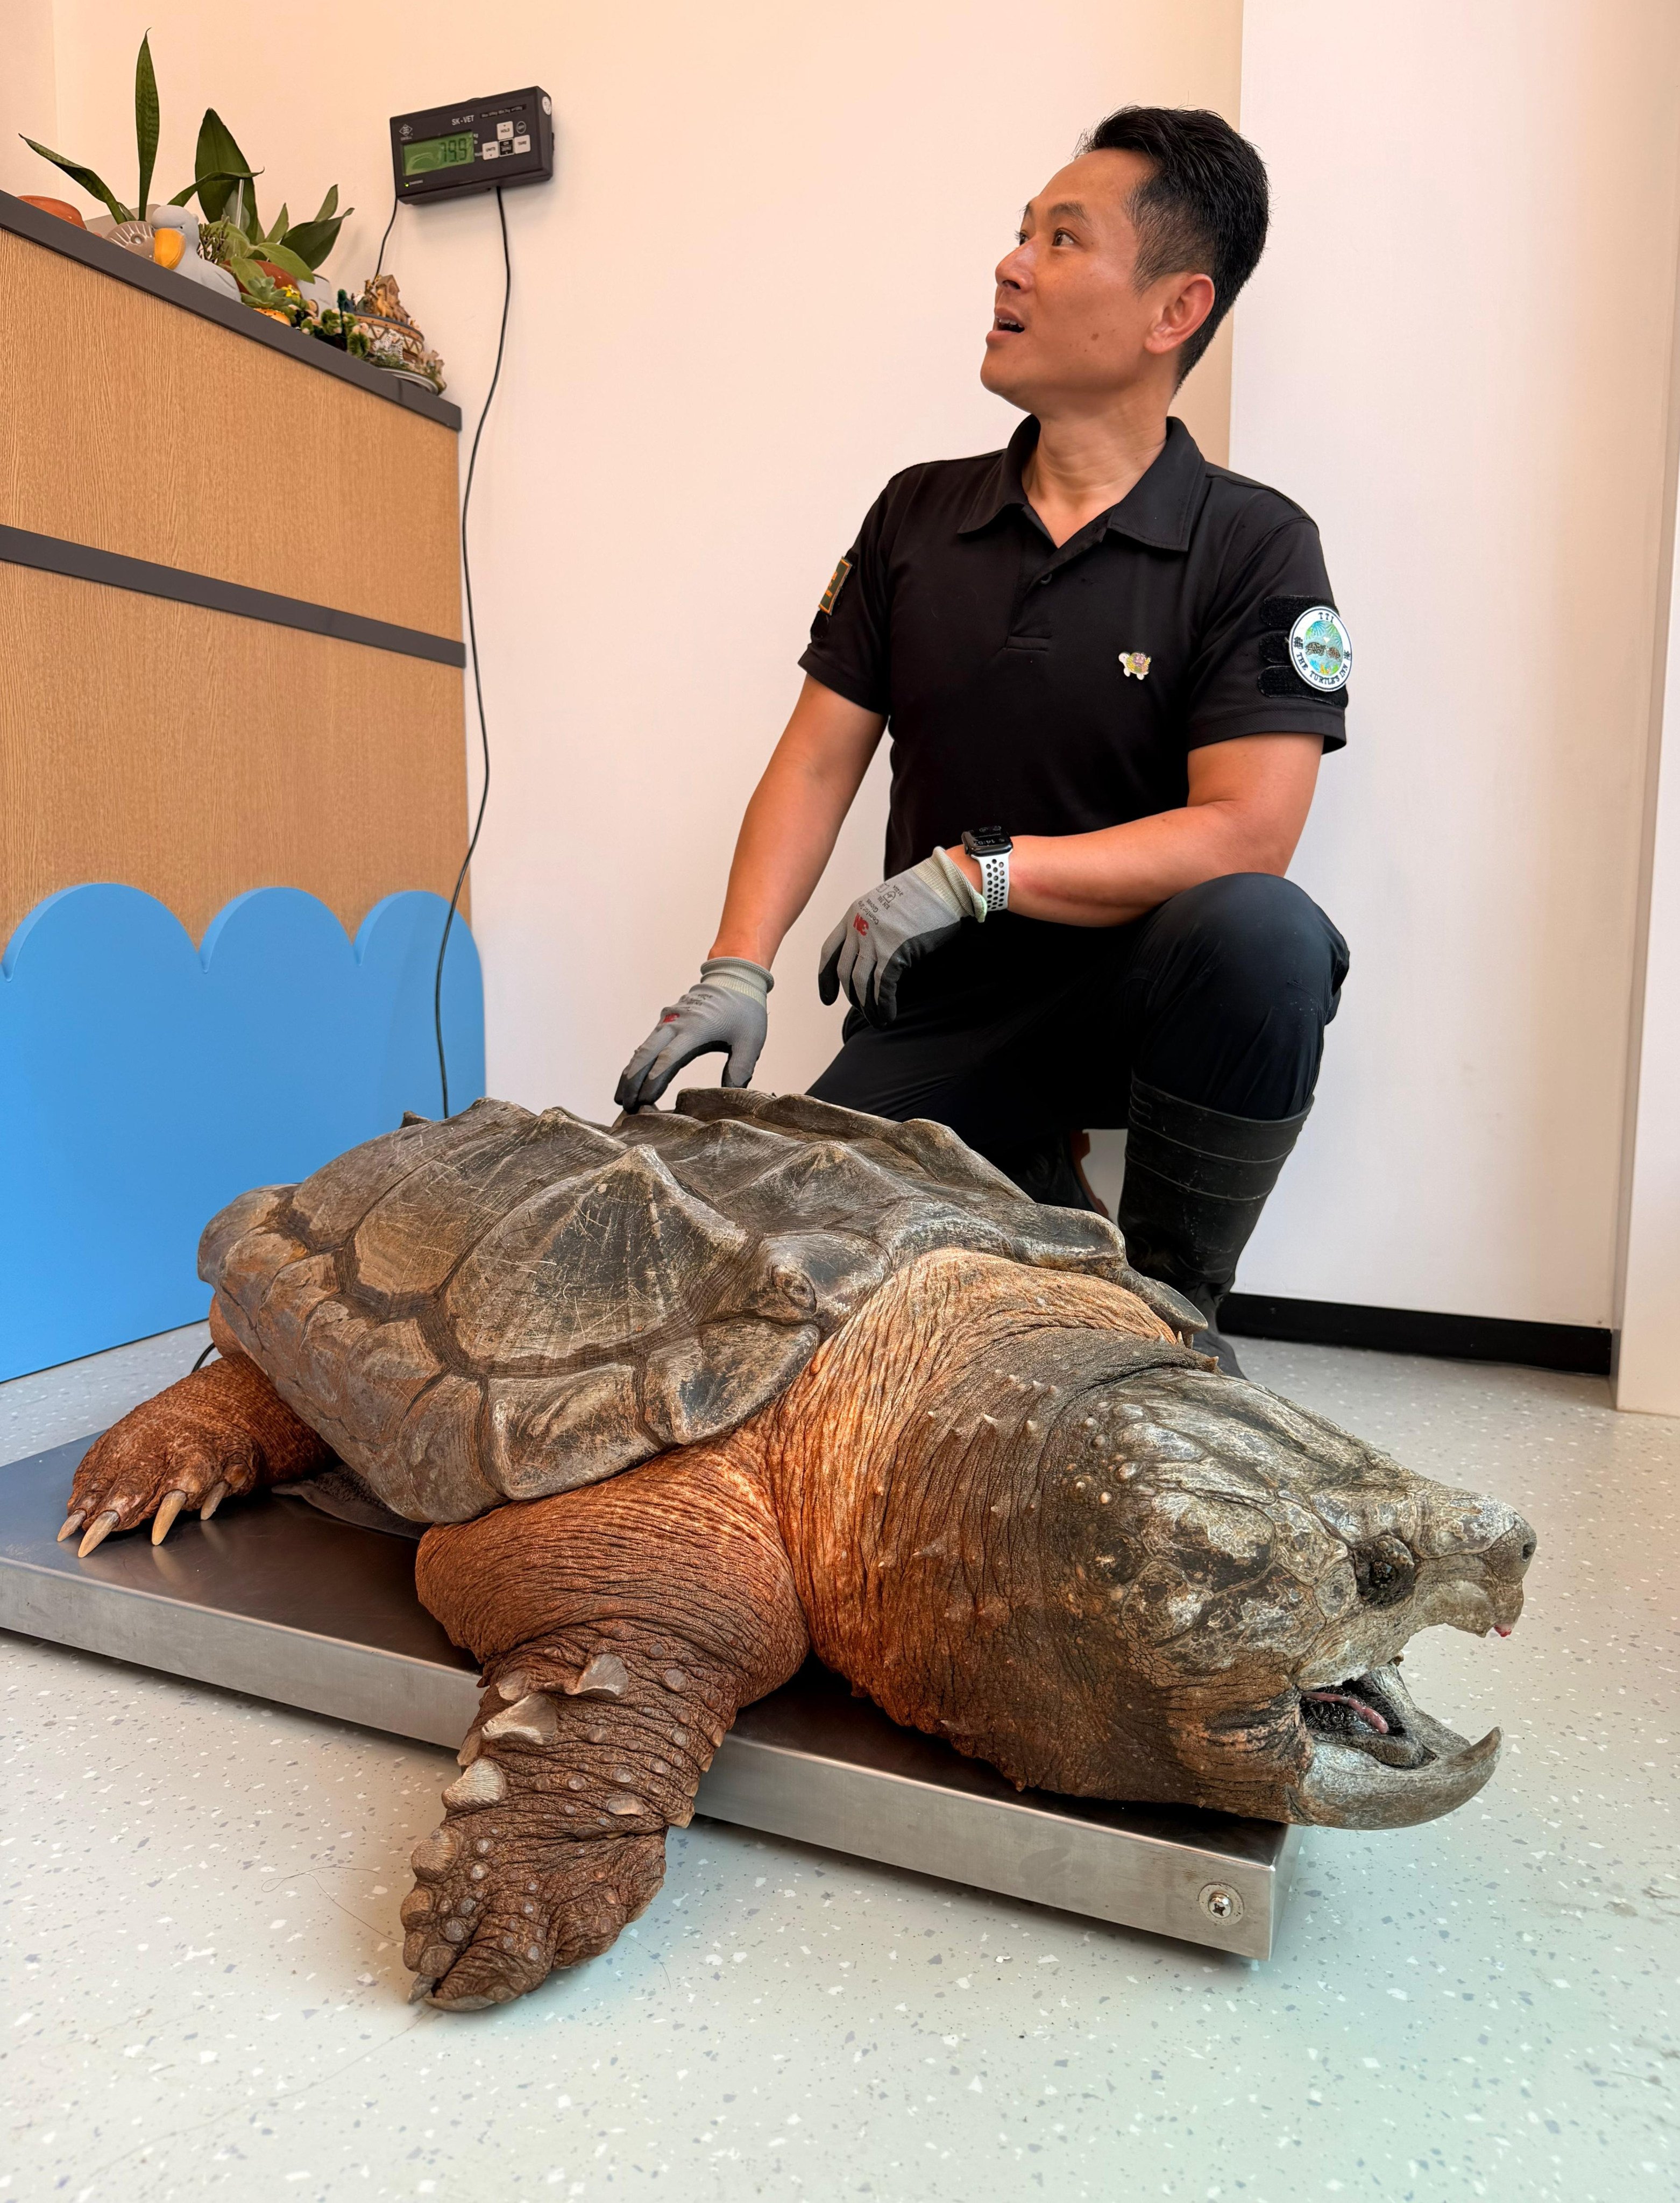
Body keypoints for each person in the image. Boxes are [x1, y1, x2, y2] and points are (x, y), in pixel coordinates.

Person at [615, 105, 1351, 1375]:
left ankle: (1173, 1308)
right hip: (940, 1010)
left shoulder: (1253, 542)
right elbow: (815, 757)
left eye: (1061, 241)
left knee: (1262, 934)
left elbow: (1247, 829)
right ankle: (1018, 1171)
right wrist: (736, 967)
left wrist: (981, 870)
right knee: (744, 1267)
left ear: (1173, 311)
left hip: (1131, 997)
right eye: (1019, 235)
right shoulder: (918, 514)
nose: (1010, 266)